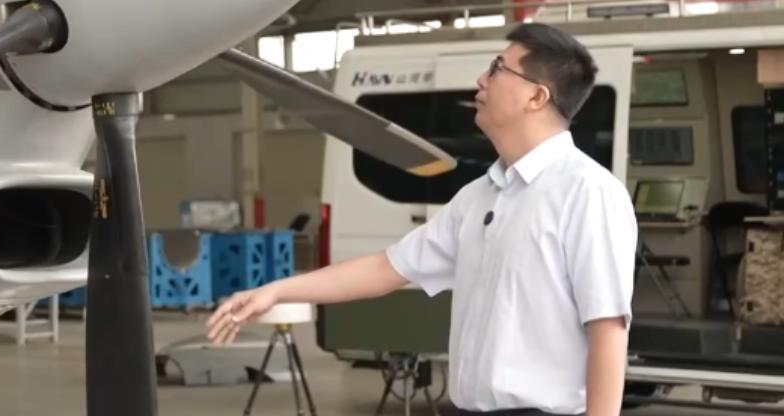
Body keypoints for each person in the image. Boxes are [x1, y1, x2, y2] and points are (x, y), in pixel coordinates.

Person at [207, 23, 637, 416]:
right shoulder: (480, 197)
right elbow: (385, 268)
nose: (481, 80)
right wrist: (276, 291)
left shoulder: (587, 193)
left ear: (536, 96)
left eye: (497, 69)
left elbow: (607, 327)